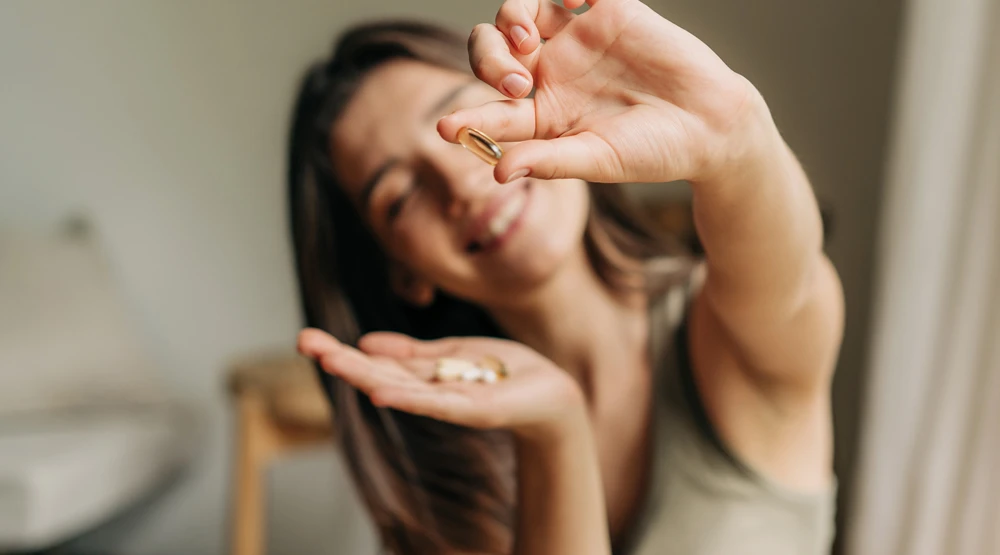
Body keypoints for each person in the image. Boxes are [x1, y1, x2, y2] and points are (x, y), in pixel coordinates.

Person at [289, 0, 843, 553]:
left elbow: (791, 286)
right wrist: (555, 434)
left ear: (530, 99)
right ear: (403, 274)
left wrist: (732, 129)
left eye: (461, 126)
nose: (457, 186)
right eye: (401, 197)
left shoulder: (724, 328)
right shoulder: (452, 465)